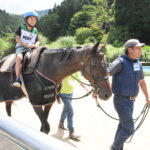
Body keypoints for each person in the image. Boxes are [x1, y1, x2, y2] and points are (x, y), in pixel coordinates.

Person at [107, 39, 150, 150]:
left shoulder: (138, 63)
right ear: (130, 49)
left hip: (131, 101)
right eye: (138, 48)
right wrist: (98, 90)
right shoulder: (119, 62)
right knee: (129, 129)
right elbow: (106, 74)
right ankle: (114, 148)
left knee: (123, 125)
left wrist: (147, 97)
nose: (141, 50)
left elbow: (142, 82)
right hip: (121, 100)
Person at [58, 72, 88, 141]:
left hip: (70, 93)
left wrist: (85, 87)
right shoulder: (65, 69)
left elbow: (79, 80)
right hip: (63, 93)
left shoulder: (76, 71)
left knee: (66, 109)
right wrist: (57, 96)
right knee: (70, 111)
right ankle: (71, 131)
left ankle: (61, 123)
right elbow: (58, 81)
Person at [13, 11, 40, 87]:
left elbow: (38, 41)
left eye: (35, 19)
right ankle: (17, 79)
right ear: (26, 20)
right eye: (31, 19)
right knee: (19, 58)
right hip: (21, 47)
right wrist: (26, 45)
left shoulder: (35, 30)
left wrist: (35, 45)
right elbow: (17, 39)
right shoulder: (21, 27)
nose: (33, 20)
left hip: (31, 48)